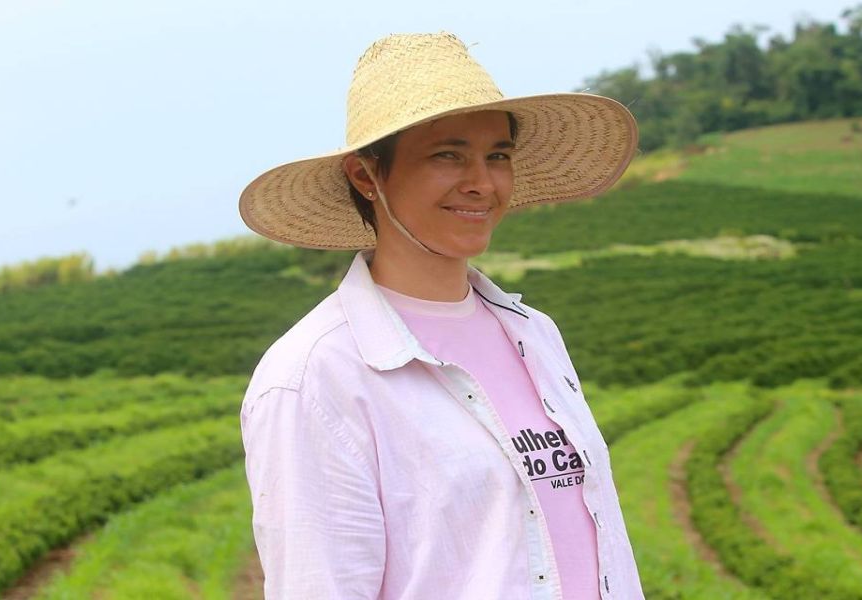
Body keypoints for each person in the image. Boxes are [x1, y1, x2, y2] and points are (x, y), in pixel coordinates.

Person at [237, 31, 643, 599]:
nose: (482, 183)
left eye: (497, 156)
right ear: (366, 176)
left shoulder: (533, 333)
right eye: (447, 155)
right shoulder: (315, 376)